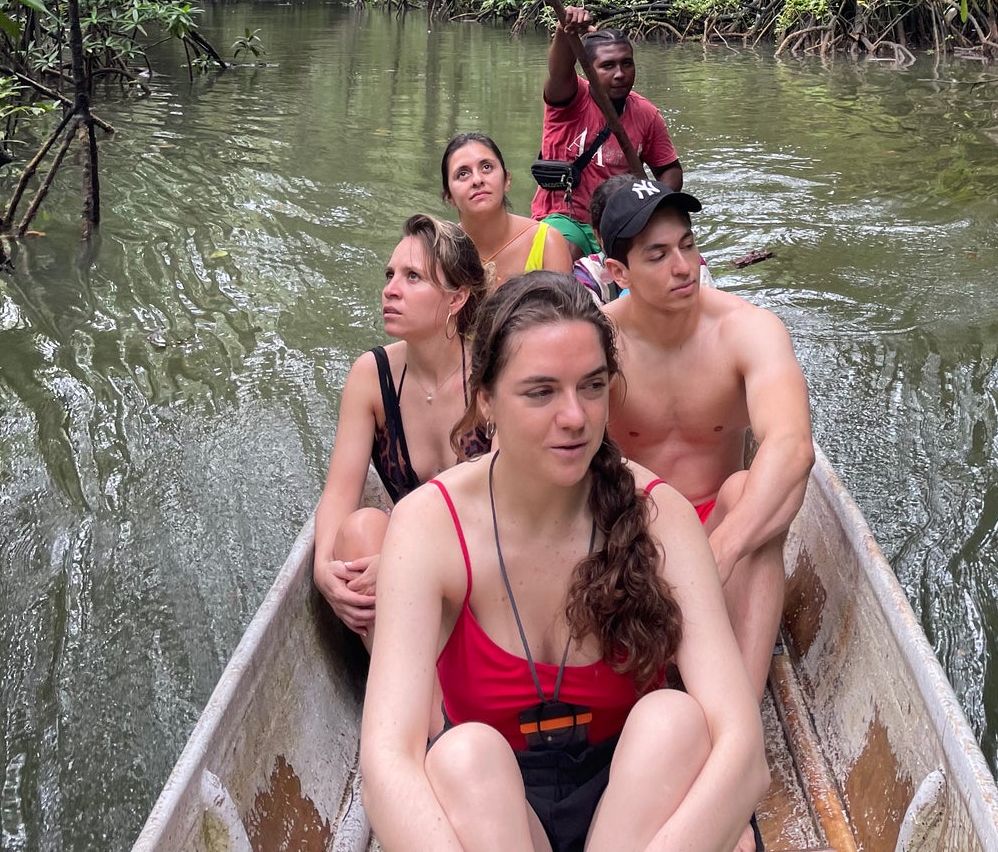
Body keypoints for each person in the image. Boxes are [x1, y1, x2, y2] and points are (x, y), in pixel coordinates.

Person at [360, 272, 767, 852]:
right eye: (541, 391)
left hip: (634, 807)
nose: (575, 417)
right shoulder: (430, 527)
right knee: (460, 755)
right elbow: (386, 763)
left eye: (592, 386)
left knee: (676, 723)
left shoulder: (658, 516)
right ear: (485, 400)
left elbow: (743, 751)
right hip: (495, 817)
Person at [597, 174, 815, 702]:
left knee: (751, 490)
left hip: (720, 530)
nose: (683, 267)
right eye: (657, 255)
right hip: (630, 531)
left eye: (688, 246)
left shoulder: (748, 329)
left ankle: (735, 708)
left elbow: (793, 446)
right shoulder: (595, 342)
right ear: (617, 271)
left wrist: (721, 549)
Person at [314, 214, 488, 640]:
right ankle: (422, 698)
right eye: (390, 274)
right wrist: (323, 571)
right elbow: (339, 492)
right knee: (357, 531)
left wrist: (406, 559)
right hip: (418, 583)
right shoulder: (371, 375)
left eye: (413, 277)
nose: (390, 289)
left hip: (492, 565)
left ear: (456, 298)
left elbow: (513, 519)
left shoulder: (493, 376)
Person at [529, 9, 683, 260]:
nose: (620, 74)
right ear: (589, 70)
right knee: (564, 251)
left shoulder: (646, 114)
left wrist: (652, 200)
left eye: (626, 63)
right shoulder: (570, 99)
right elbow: (559, 72)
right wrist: (563, 32)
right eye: (608, 66)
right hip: (564, 217)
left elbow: (670, 169)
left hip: (619, 223)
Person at [443, 132, 572, 284]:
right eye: (463, 174)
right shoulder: (442, 252)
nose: (477, 180)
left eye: (486, 167)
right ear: (449, 196)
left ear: (507, 180)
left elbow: (563, 307)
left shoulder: (548, 242)